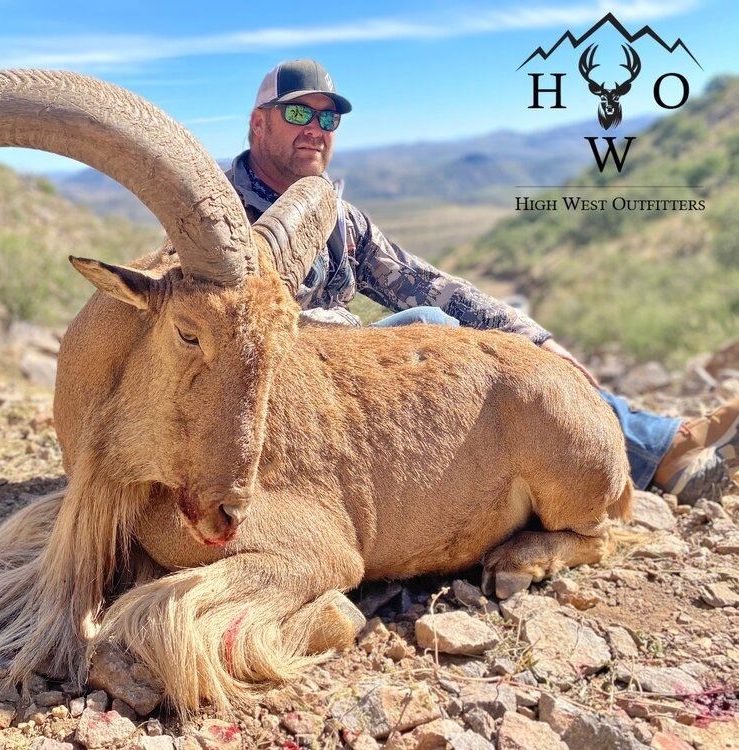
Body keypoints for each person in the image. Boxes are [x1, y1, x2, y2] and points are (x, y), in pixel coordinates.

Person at [224, 58, 739, 503]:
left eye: (327, 116)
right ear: (258, 125)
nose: (315, 127)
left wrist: (535, 340)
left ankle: (649, 450)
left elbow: (424, 282)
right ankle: (656, 451)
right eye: (297, 113)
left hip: (350, 391)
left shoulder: (337, 216)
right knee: (429, 329)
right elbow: (226, 334)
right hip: (284, 406)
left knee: (460, 329)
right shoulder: (217, 218)